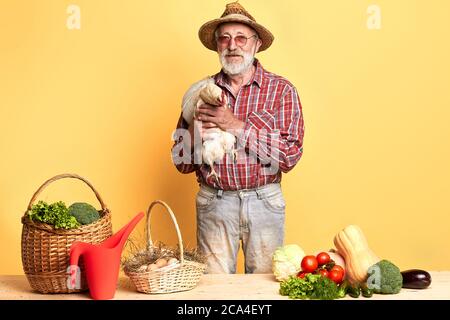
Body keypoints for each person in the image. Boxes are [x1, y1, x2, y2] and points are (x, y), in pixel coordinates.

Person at [171, 2, 305, 274]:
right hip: (215, 202)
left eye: (241, 38)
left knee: (267, 287)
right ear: (218, 46)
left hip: (265, 202)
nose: (233, 45)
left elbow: (289, 156)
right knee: (214, 292)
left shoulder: (281, 91)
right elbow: (180, 161)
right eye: (225, 38)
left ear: (255, 45)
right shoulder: (199, 94)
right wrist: (196, 136)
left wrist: (234, 125)